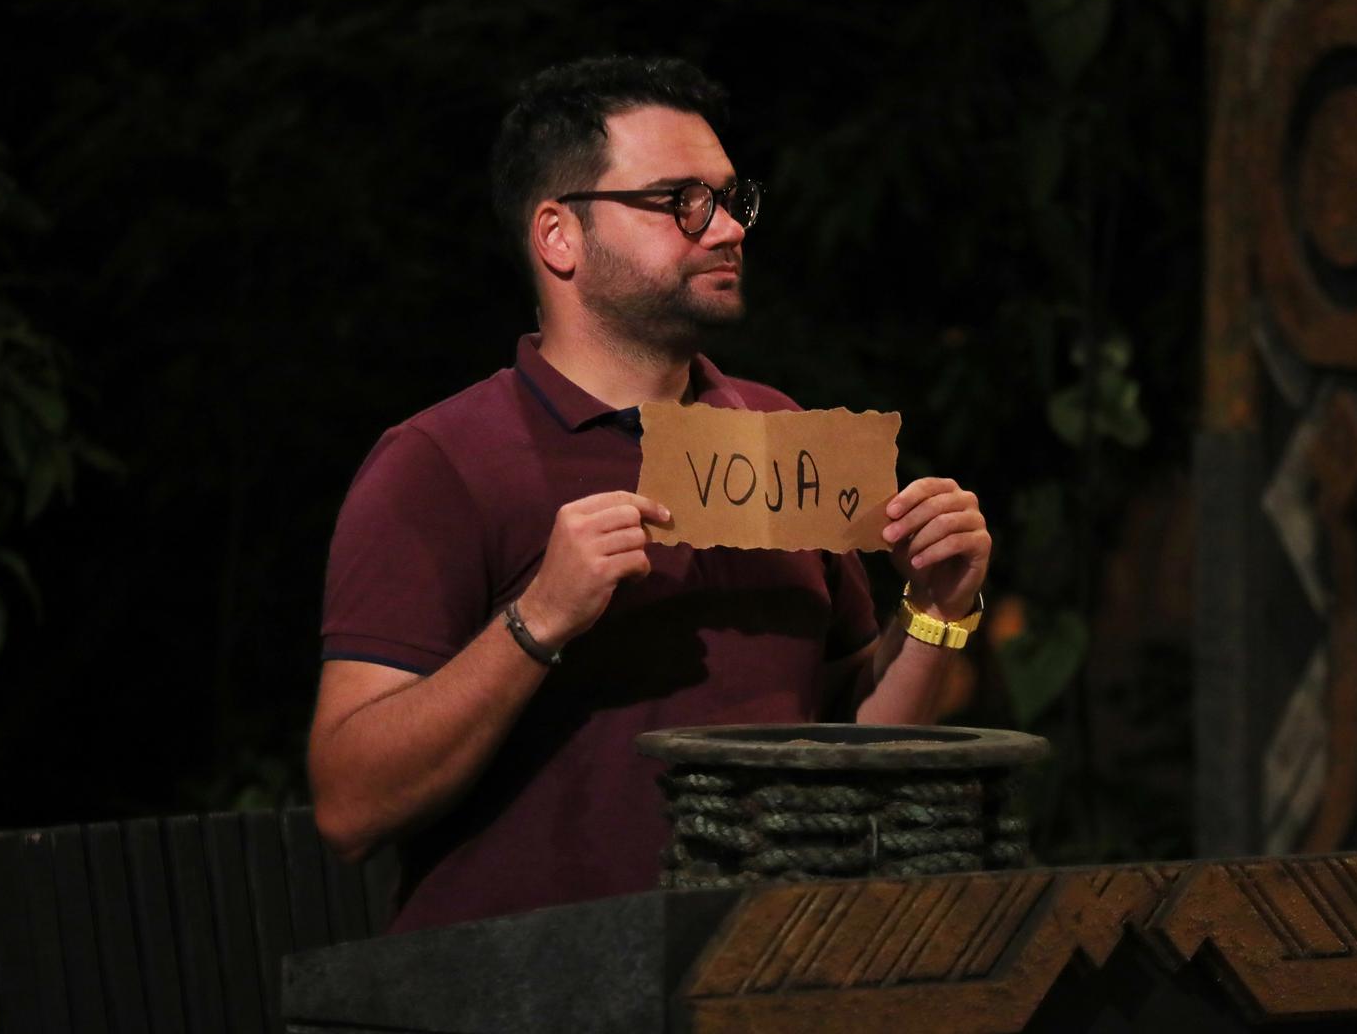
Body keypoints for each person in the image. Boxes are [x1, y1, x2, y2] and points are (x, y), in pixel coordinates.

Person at [308, 56, 991, 932]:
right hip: (524, 980)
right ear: (558, 236)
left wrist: (934, 612)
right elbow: (350, 808)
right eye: (679, 201)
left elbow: (853, 747)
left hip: (765, 964)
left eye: (730, 199)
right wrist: (537, 621)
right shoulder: (441, 461)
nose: (726, 229)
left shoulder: (777, 434)